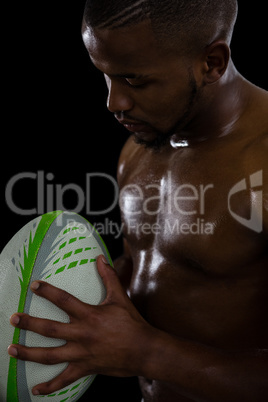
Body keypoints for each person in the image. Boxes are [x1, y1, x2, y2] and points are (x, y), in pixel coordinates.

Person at [8, 0, 268, 401]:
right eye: (106, 77)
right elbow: (150, 270)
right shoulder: (140, 147)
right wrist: (69, 304)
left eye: (135, 80)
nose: (114, 103)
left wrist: (146, 353)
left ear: (212, 62)